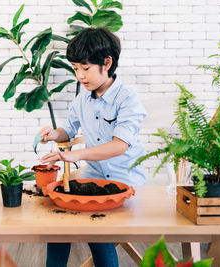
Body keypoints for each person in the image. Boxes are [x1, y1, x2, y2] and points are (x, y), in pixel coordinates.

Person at [39, 27, 147, 267]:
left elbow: (119, 146)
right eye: (76, 68)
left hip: (126, 181)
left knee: (97, 230)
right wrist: (53, 134)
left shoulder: (128, 99)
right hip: (94, 177)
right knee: (58, 224)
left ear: (106, 62)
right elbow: (68, 130)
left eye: (85, 68)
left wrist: (74, 155)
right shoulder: (82, 100)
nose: (80, 75)